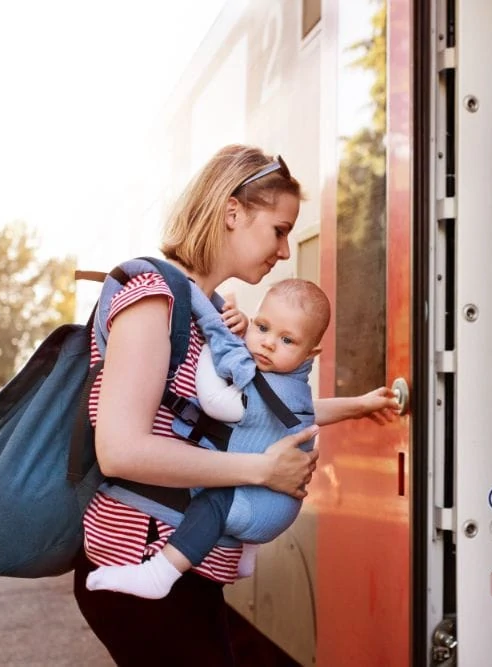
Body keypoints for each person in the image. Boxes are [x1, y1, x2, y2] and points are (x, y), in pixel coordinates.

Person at [73, 145, 398, 665]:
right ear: (232, 212)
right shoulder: (154, 297)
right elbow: (120, 450)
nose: (287, 250)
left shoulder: (211, 310)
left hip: (182, 566)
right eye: (279, 229)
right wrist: (262, 470)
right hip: (142, 556)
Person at [85, 278, 335, 599]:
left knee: (212, 505)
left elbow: (215, 402)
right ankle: (246, 557)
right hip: (277, 505)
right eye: (262, 327)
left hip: (262, 509)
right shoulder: (296, 386)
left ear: (310, 353)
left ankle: (160, 573)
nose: (268, 343)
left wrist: (209, 345)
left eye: (287, 340)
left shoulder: (270, 389)